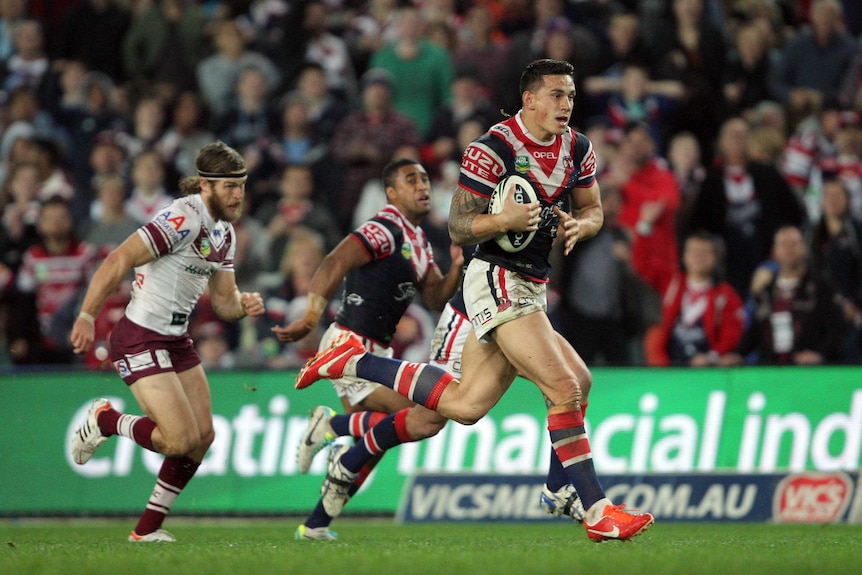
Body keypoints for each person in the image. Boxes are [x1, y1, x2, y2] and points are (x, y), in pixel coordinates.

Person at [290, 59, 655, 543]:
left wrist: (579, 226)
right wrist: (502, 220)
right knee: (564, 388)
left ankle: (351, 362)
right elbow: (460, 226)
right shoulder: (492, 149)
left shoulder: (578, 148)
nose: (566, 104)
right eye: (555, 95)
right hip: (496, 280)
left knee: (467, 406)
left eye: (569, 95)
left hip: (531, 286)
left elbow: (593, 210)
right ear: (529, 99)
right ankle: (596, 508)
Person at [68, 141, 265, 542]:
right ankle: (105, 420)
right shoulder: (182, 218)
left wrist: (243, 305)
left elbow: (224, 301)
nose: (238, 194)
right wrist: (88, 313)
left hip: (176, 340)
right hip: (140, 337)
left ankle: (147, 531)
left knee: (203, 437)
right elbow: (118, 259)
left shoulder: (225, 233)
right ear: (206, 186)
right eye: (230, 186)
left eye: (241, 185)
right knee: (178, 440)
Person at [272, 158, 464, 541]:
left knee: (371, 448)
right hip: (350, 345)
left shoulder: (419, 241)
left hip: (379, 351)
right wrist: (311, 316)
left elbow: (434, 296)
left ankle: (314, 526)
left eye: (425, 179)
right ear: (391, 192)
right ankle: (329, 425)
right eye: (411, 180)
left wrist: (457, 265)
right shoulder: (385, 227)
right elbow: (336, 261)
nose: (423, 185)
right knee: (420, 414)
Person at [724, 225, 846, 366]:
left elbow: (838, 329)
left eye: (794, 243)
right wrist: (738, 354)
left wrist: (820, 354)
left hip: (809, 371)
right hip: (772, 371)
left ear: (804, 249)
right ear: (774, 251)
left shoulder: (821, 288)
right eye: (783, 244)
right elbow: (755, 331)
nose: (789, 249)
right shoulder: (766, 292)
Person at [643, 231, 746, 367]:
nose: (699, 257)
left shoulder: (726, 295)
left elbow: (731, 334)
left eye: (705, 252)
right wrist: (644, 228)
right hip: (669, 367)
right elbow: (643, 264)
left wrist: (711, 357)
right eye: (694, 251)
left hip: (705, 368)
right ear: (684, 256)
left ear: (715, 257)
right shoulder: (672, 283)